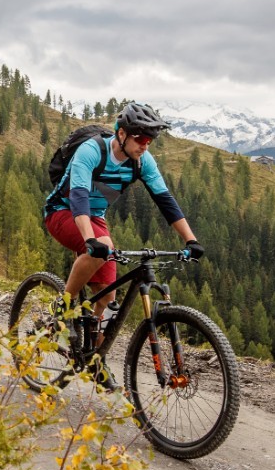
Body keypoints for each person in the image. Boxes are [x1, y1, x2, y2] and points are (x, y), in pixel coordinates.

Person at [43, 101, 204, 363]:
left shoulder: (142, 162)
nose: (145, 145)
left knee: (108, 298)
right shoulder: (92, 150)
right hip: (62, 211)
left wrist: (191, 240)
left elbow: (165, 201)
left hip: (95, 218)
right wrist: (90, 239)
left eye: (150, 140)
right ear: (121, 134)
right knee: (101, 247)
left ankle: (92, 361)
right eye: (140, 138)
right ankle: (62, 308)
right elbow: (79, 196)